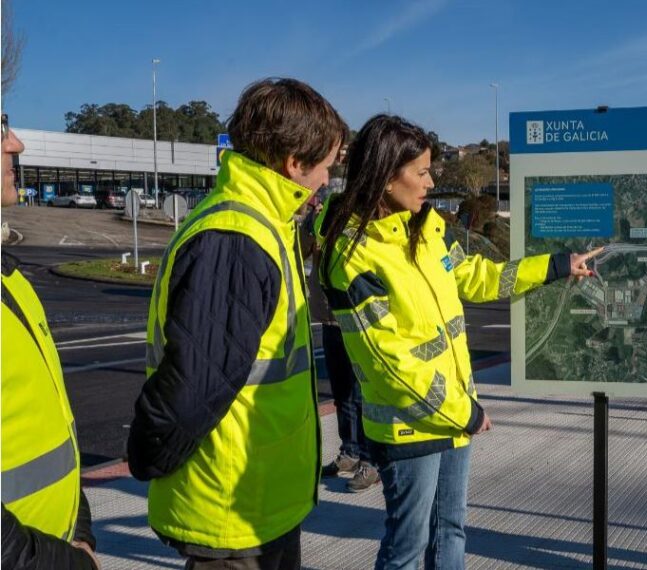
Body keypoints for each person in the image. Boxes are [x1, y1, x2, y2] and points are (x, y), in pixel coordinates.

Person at [318, 114, 600, 569]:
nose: (431, 182)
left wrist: (556, 265)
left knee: (451, 529)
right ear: (388, 177)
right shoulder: (353, 255)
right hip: (411, 423)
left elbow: (477, 277)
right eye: (422, 172)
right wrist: (465, 411)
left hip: (453, 416)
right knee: (407, 545)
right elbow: (391, 362)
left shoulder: (426, 230)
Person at [126, 78, 349, 569]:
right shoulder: (236, 237)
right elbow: (191, 390)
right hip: (230, 514)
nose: (327, 180)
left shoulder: (263, 225)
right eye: (328, 166)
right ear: (295, 163)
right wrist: (148, 459)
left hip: (258, 503)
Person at [1, 114, 99, 569]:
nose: (16, 145)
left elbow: (57, 426)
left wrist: (79, 532)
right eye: (0, 131)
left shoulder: (13, 278)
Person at [300, 187, 381, 492]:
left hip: (361, 321)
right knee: (343, 393)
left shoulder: (365, 226)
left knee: (365, 395)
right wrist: (311, 221)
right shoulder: (321, 223)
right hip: (332, 319)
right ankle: (350, 451)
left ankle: (371, 461)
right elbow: (301, 249)